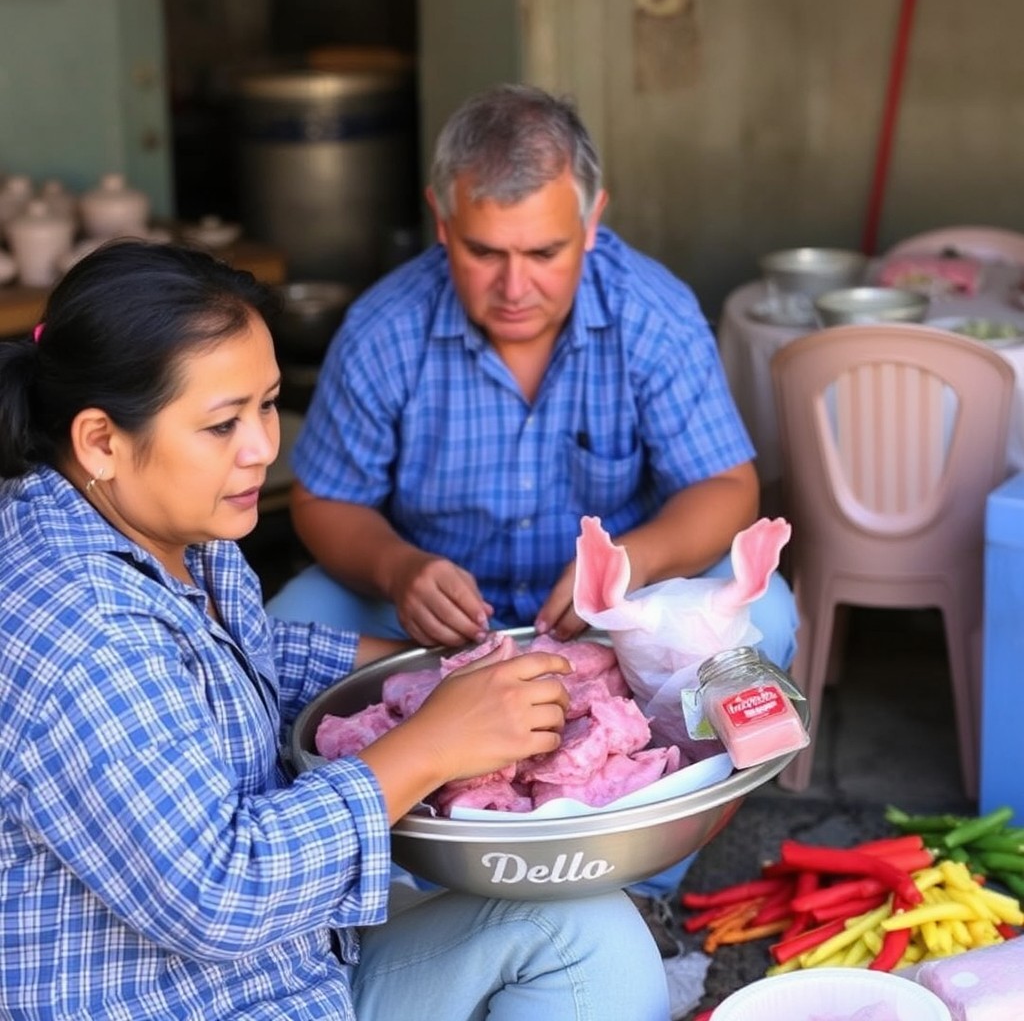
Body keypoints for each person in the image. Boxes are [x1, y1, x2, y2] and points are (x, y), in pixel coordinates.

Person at [0, 240, 670, 1020]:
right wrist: (429, 746)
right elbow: (223, 891)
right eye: (222, 426)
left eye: (267, 403)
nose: (262, 447)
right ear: (101, 441)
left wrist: (429, 673)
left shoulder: (167, 533)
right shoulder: (75, 628)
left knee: (594, 938)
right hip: (190, 998)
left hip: (289, 971)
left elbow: (233, 660)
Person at [268, 82, 797, 675]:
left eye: (544, 253)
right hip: (429, 620)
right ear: (442, 222)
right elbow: (324, 500)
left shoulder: (652, 316)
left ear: (591, 221)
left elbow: (727, 486)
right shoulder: (382, 331)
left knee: (766, 617)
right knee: (283, 633)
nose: (515, 289)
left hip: (621, 611)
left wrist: (633, 562)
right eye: (484, 252)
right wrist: (399, 570)